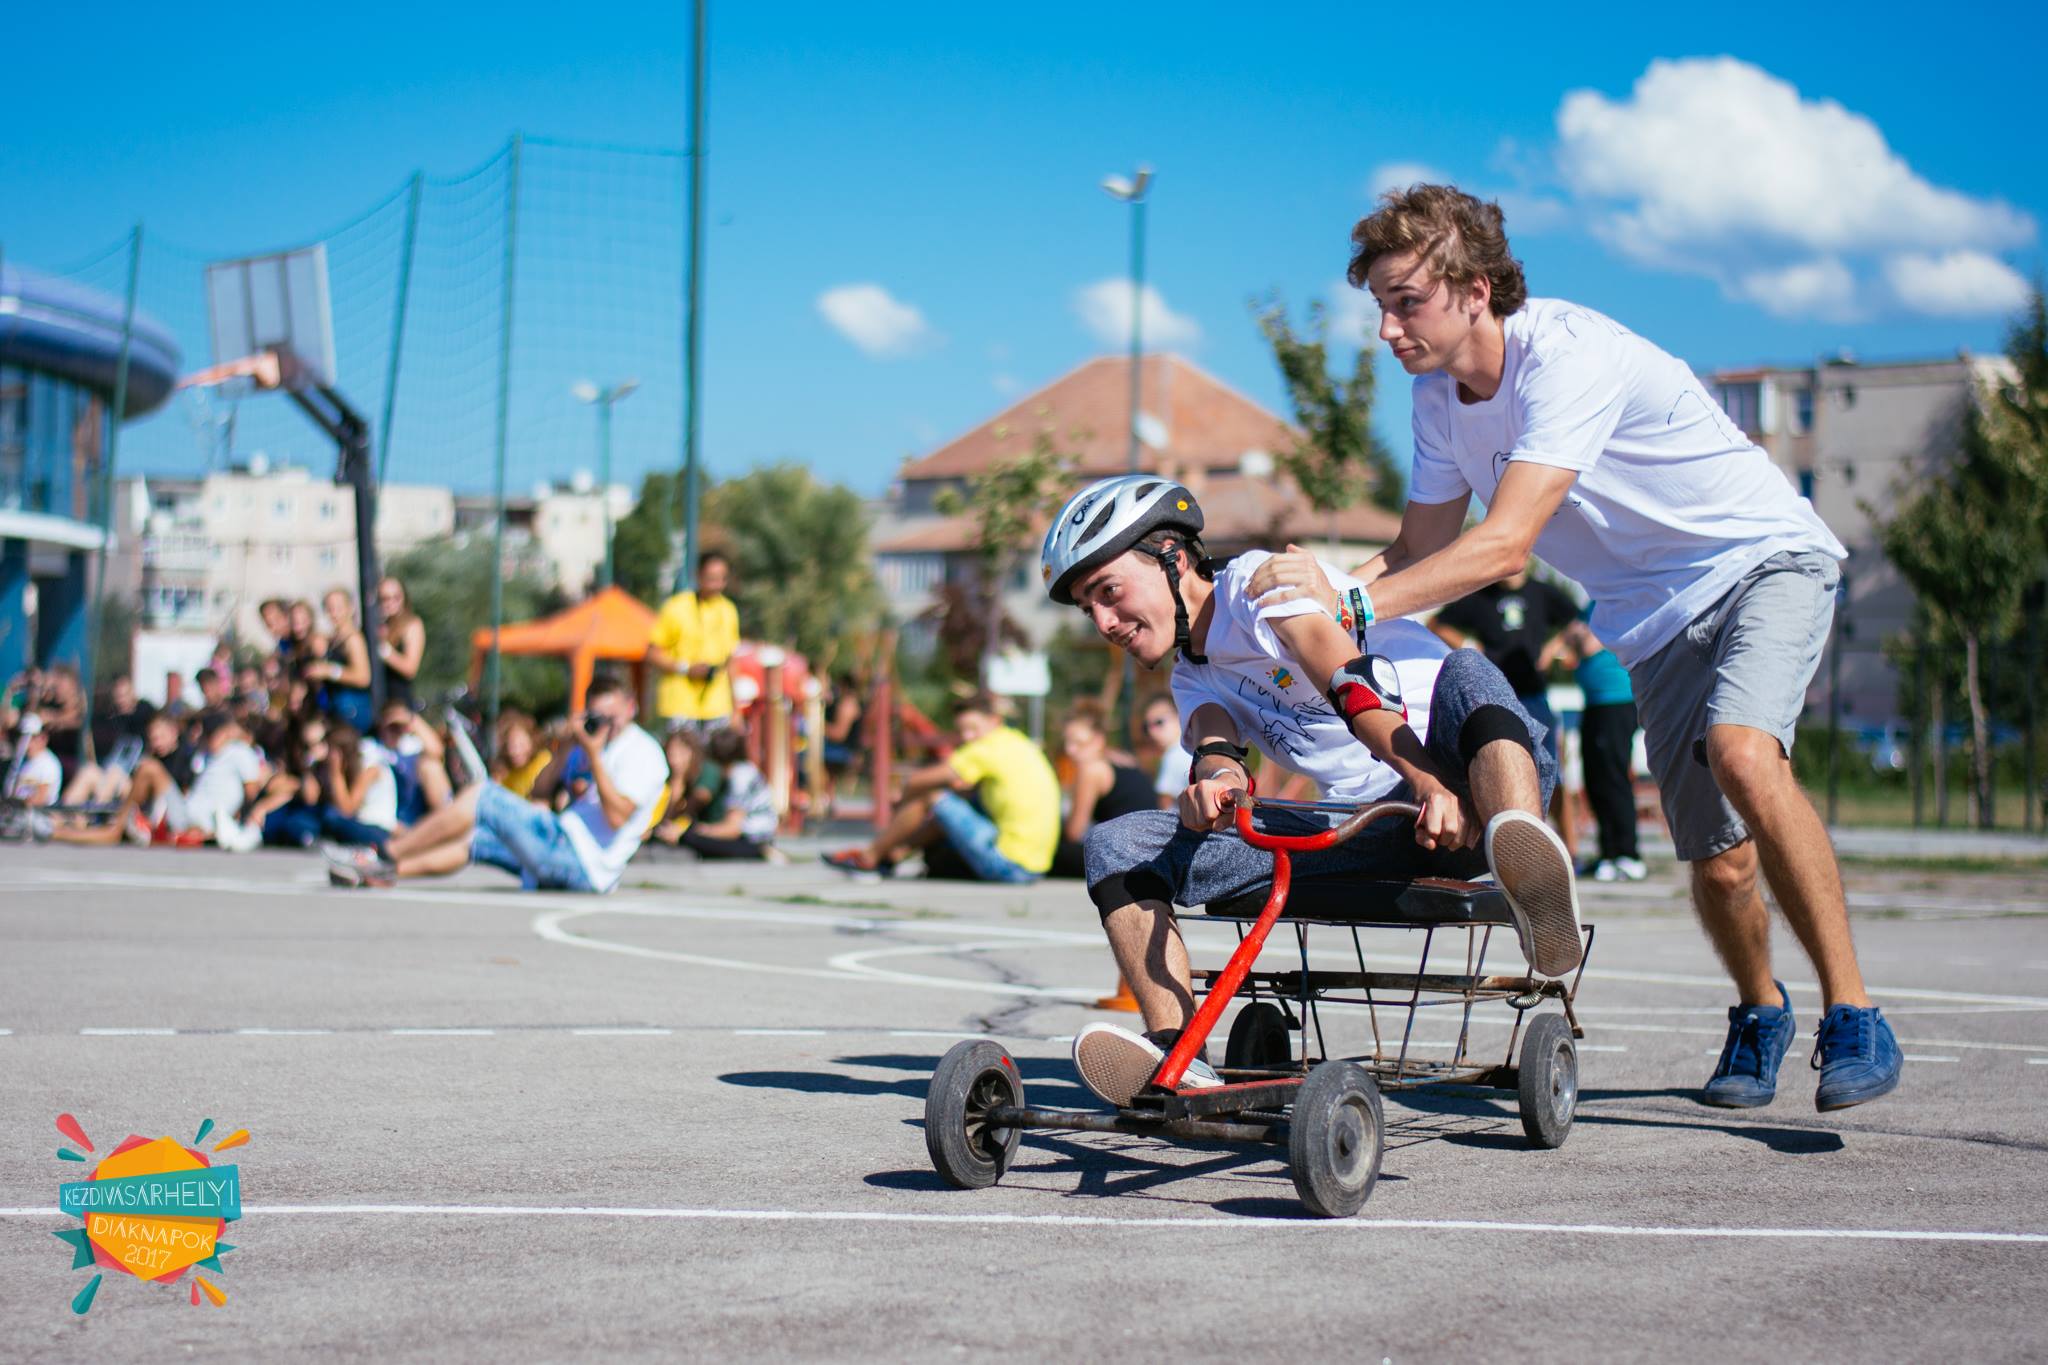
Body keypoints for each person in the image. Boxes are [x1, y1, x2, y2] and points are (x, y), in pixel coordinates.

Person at [1246, 182, 1897, 1112]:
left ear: (1474, 288)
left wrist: (1350, 600)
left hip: (1760, 557)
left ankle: (1854, 1014)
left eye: (1406, 302)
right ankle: (1761, 1009)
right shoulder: (1438, 400)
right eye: (1380, 306)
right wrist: (1325, 583)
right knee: (1717, 858)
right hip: (1654, 615)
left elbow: (1504, 545)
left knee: (1746, 754)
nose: (1388, 329)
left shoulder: (1566, 355)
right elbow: (1423, 547)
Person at [1038, 475, 1575, 1104]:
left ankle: (1532, 886)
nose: (1103, 621)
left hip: (1476, 778)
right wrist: (1216, 787)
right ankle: (1175, 1052)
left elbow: (1350, 681)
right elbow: (1218, 750)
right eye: (1088, 609)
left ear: (1172, 558)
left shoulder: (1259, 586)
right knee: (1117, 843)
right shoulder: (1191, 674)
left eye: (1108, 592)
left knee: (1470, 671)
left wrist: (1430, 779)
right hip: (1371, 824)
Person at [324, 674, 668, 893]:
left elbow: (618, 817)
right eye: (597, 717)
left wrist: (593, 757)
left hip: (583, 862)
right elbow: (541, 792)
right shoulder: (592, 744)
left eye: (612, 716)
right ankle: (382, 873)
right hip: (561, 843)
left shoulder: (642, 751)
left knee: (483, 795)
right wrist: (566, 749)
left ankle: (382, 853)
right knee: (476, 840)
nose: (606, 724)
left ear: (631, 707)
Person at [821, 693, 1059, 883]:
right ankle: (893, 854)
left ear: (994, 721)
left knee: (934, 797)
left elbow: (918, 781)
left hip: (1010, 865)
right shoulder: (1016, 741)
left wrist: (902, 805)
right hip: (1035, 866)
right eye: (962, 730)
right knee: (951, 807)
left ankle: (869, 857)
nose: (967, 736)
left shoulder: (987, 749)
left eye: (974, 728)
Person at [49, 711, 266, 848]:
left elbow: (251, 792)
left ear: (227, 733)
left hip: (194, 820)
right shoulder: (216, 756)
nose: (208, 740)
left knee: (149, 768)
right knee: (145, 769)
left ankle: (115, 827)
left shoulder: (240, 752)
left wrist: (242, 824)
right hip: (188, 813)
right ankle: (68, 830)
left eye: (212, 735)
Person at [1567, 617, 1646, 881]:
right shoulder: (1588, 607)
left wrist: (1580, 636)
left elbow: (1587, 645)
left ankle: (1628, 854)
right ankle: (1608, 852)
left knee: (1613, 778)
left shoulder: (1610, 604)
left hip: (1616, 700)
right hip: (1594, 702)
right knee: (1595, 780)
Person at [1051, 703, 1156, 878]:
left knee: (1050, 852)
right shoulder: (1123, 759)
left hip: (1123, 857)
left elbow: (1074, 832)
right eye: (1067, 742)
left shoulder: (1091, 769)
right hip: (1149, 851)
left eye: (1079, 743)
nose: (1070, 750)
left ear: (1099, 739)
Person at [648, 551, 740, 734]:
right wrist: (686, 668)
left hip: (717, 705)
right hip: (680, 703)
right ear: (699, 576)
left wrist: (736, 709)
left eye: (721, 579)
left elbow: (731, 661)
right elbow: (652, 653)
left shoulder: (729, 610)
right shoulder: (676, 607)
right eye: (711, 578)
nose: (716, 585)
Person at [676, 728, 780, 860]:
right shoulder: (746, 770)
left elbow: (733, 828)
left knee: (691, 838)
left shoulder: (739, 777)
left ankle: (763, 853)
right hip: (757, 836)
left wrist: (697, 831)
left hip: (754, 839)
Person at [65, 674, 156, 806]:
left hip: (132, 781)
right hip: (109, 777)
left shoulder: (145, 714)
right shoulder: (112, 721)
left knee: (115, 773)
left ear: (133, 693)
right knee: (89, 771)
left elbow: (141, 716)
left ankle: (96, 818)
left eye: (125, 695)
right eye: (118, 696)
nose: (121, 700)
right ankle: (61, 817)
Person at [307, 588, 375, 731]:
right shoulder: (334, 639)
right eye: (330, 608)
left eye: (338, 607)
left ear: (350, 608)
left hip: (353, 712)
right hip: (337, 710)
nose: (334, 613)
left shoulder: (353, 639)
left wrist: (330, 671)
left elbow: (363, 677)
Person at [375, 577, 425, 711]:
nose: (390, 603)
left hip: (399, 703)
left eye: (396, 597)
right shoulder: (377, 626)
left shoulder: (412, 624)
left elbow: (410, 668)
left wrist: (384, 651)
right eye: (384, 598)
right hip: (376, 700)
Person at [1141, 694, 1192, 811]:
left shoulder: (1173, 757)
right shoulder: (1195, 749)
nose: (1151, 732)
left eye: (1159, 722)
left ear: (1179, 717)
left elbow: (1164, 808)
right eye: (1146, 727)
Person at [491, 711, 553, 798]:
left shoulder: (544, 762)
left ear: (532, 741)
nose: (515, 751)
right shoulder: (508, 776)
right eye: (510, 746)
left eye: (520, 744)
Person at [6, 714, 62, 807]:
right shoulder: (19, 761)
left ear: (42, 738)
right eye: (21, 736)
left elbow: (40, 799)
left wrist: (15, 803)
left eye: (31, 738)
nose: (26, 742)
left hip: (37, 816)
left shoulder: (48, 764)